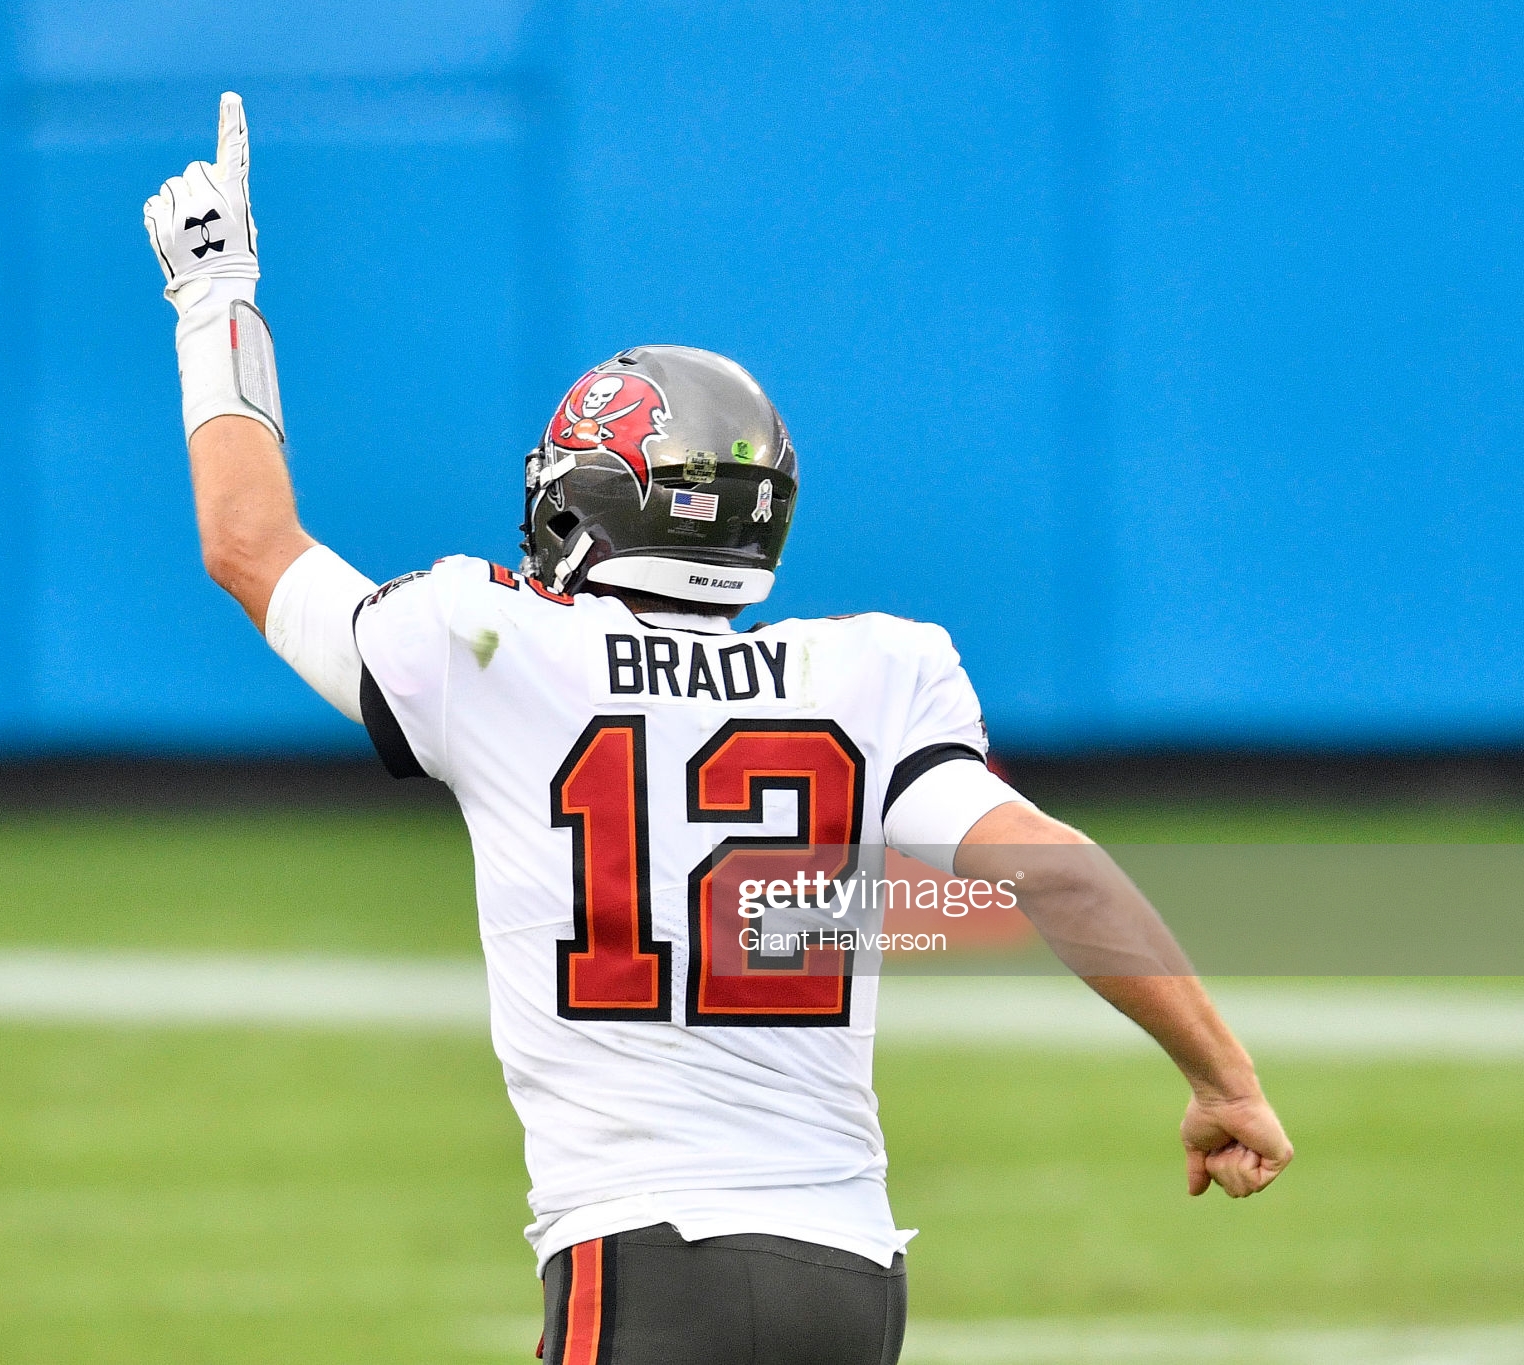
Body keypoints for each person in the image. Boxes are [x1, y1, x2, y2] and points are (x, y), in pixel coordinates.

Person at [144, 93, 1293, 1365]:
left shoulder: (486, 641)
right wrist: (1219, 1074)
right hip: (848, 1277)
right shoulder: (874, 672)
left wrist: (214, 302)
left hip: (640, 1257)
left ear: (581, 501)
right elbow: (1058, 876)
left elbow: (247, 545)